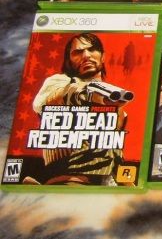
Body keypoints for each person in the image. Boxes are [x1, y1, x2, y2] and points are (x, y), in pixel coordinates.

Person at [30, 33, 128, 184]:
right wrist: (88, 94)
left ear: (103, 56)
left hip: (106, 181)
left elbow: (113, 152)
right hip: (69, 178)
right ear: (69, 60)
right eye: (78, 52)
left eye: (92, 49)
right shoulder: (58, 82)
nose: (86, 55)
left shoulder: (117, 107)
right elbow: (44, 103)